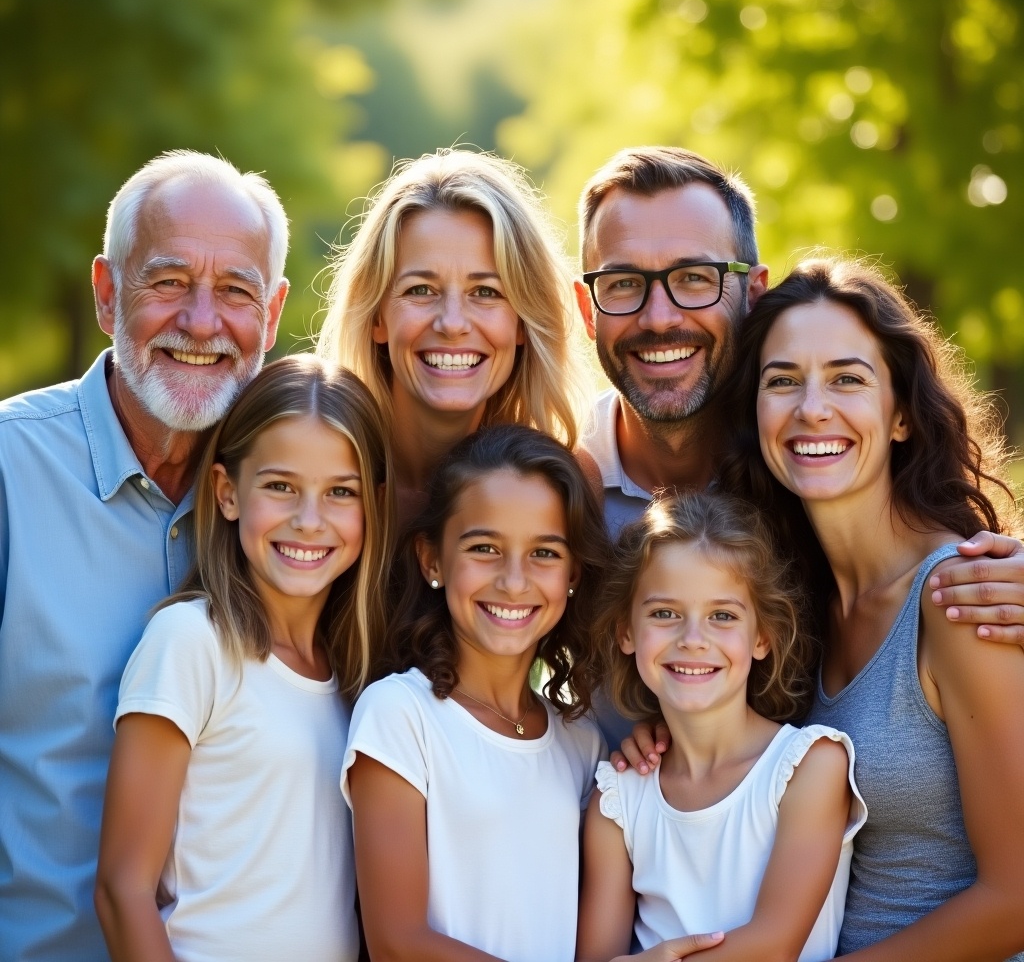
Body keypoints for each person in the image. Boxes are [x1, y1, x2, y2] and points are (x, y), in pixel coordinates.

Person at [0, 150, 289, 960]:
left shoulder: (293, 512)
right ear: (106, 292)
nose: (202, 322)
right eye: (167, 282)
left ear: (270, 317)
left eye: (235, 290)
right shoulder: (8, 473)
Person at [573, 146, 1024, 639]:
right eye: (622, 284)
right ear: (586, 307)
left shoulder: (813, 462)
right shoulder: (558, 490)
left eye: (695, 278)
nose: (659, 318)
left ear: (753, 293)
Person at [722, 258, 1024, 959]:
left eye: (847, 379)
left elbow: (1017, 898)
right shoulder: (797, 607)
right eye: (782, 381)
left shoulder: (961, 596)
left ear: (901, 418)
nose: (811, 408)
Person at [344, 425, 683, 962]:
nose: (514, 580)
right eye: (484, 548)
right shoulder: (399, 716)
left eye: (545, 553)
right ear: (432, 559)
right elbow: (397, 942)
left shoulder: (581, 743)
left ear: (574, 571)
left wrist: (659, 752)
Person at [94, 355, 393, 962]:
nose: (309, 521)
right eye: (281, 486)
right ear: (228, 493)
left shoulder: (359, 679)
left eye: (341, 492)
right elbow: (121, 890)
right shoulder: (190, 643)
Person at [578, 491, 866, 962]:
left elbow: (773, 946)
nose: (693, 640)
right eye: (664, 614)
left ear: (762, 637)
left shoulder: (808, 766)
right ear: (625, 632)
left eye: (722, 616)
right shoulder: (617, 799)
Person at [316, 149, 589, 523]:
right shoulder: (310, 475)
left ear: (523, 322)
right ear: (376, 316)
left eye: (486, 292)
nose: (452, 323)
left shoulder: (562, 491)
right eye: (421, 289)